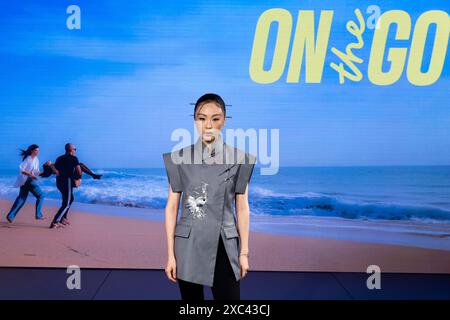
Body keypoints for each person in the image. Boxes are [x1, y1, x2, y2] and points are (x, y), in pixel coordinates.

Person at [163, 93, 256, 300]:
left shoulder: (240, 159)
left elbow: (242, 207)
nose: (208, 125)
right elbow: (171, 207)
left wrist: (244, 253)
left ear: (224, 120)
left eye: (216, 118)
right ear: (195, 120)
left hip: (225, 243)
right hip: (188, 244)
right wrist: (170, 254)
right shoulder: (178, 159)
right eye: (202, 118)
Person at [6, 144, 45, 223]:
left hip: (27, 180)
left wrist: (43, 172)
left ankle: (10, 216)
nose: (38, 152)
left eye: (38, 150)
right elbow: (21, 170)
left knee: (22, 198)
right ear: (32, 151)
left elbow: (36, 171)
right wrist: (30, 175)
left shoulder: (36, 159)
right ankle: (38, 215)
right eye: (36, 150)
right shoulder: (28, 159)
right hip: (26, 180)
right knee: (41, 195)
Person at [49, 143, 83, 229]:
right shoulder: (74, 158)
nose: (75, 151)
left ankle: (63, 218)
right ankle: (55, 222)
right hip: (67, 181)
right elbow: (79, 171)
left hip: (59, 182)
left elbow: (55, 170)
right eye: (75, 149)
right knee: (66, 203)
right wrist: (79, 179)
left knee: (70, 198)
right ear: (71, 150)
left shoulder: (59, 158)